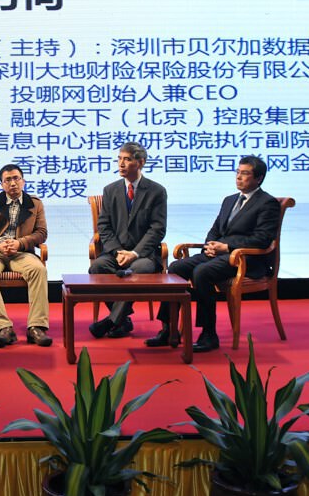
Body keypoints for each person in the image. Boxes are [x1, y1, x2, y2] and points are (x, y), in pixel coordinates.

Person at [148, 155, 279, 353]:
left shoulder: (267, 203)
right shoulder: (230, 200)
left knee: (202, 272)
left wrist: (226, 247)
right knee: (176, 268)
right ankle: (169, 328)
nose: (239, 177)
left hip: (246, 259)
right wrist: (209, 246)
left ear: (258, 178)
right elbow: (216, 229)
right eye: (237, 172)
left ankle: (208, 334)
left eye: (245, 174)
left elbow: (262, 239)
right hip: (220, 254)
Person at [87, 142, 167, 339]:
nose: (121, 164)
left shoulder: (156, 191)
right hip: (116, 252)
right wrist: (117, 252)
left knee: (135, 270)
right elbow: (103, 226)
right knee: (97, 267)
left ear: (141, 162)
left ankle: (112, 321)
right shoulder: (110, 190)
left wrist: (134, 253)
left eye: (127, 159)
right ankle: (122, 320)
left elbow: (157, 229)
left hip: (144, 255)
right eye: (119, 159)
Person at [0, 164, 52, 348]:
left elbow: (41, 233)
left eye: (16, 178)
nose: (13, 183)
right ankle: (3, 328)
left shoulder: (35, 203)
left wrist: (20, 243)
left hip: (21, 252)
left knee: (38, 270)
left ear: (23, 181)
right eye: (8, 180)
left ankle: (36, 327)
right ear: (2, 184)